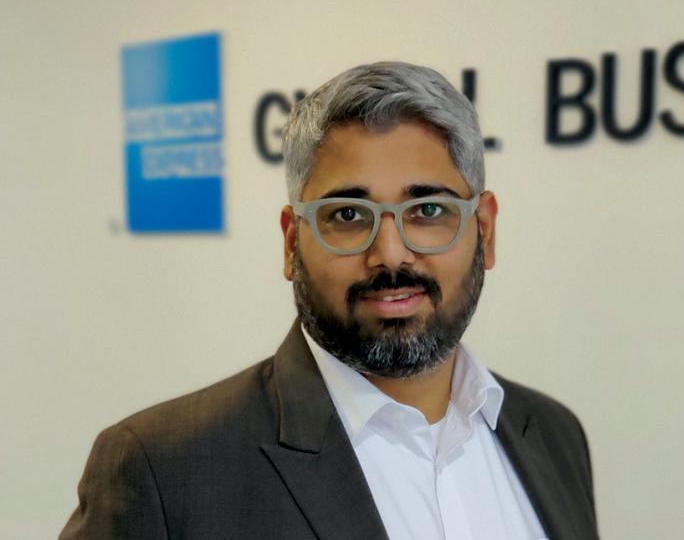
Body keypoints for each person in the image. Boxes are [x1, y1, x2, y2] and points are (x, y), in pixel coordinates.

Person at [60, 62, 599, 540]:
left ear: (485, 230)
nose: (391, 255)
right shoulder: (164, 470)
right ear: (292, 242)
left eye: (428, 211)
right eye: (347, 215)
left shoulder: (553, 434)